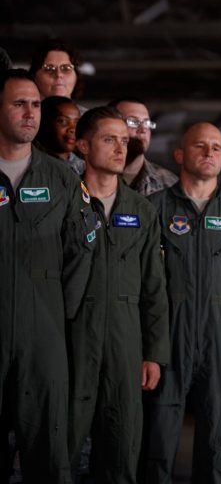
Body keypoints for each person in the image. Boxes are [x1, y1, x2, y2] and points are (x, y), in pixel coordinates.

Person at [143, 122, 221, 483]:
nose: (209, 153)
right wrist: (146, 349)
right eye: (200, 146)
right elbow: (140, 284)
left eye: (216, 147)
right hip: (166, 342)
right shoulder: (153, 209)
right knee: (157, 442)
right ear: (180, 155)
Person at [0, 68, 95, 482]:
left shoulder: (61, 179)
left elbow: (81, 252)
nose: (30, 113)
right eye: (19, 103)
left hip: (45, 332)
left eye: (36, 105)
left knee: (48, 451)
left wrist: (57, 312)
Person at [67, 106, 170, 482]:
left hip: (126, 340)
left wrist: (155, 354)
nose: (120, 149)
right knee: (62, 445)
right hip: (73, 334)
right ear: (82, 145)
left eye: (124, 141)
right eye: (109, 139)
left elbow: (154, 287)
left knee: (122, 445)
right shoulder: (65, 204)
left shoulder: (141, 210)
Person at [108, 97, 178, 196]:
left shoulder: (168, 182)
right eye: (133, 122)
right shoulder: (88, 176)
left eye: (146, 123)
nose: (143, 129)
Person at [37, 95, 85, 174]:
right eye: (63, 121)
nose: (72, 129)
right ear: (44, 124)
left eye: (77, 122)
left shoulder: (84, 168)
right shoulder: (34, 164)